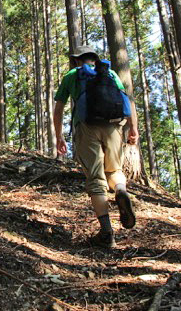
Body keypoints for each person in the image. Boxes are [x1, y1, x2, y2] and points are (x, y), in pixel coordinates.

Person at [53, 46, 138, 248]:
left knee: (95, 178)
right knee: (114, 170)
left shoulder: (72, 75)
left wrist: (59, 136)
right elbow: (128, 101)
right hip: (114, 126)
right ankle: (120, 190)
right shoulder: (109, 73)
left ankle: (107, 233)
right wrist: (133, 128)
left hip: (86, 127)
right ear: (94, 59)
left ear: (76, 60)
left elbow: (59, 109)